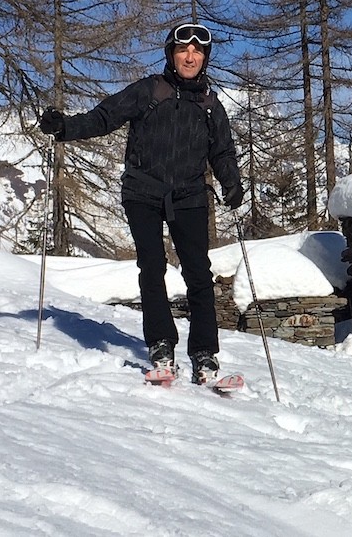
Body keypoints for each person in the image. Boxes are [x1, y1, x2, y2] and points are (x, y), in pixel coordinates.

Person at [39, 22, 243, 385]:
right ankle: (161, 346)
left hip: (191, 196)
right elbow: (105, 116)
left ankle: (204, 355)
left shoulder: (211, 105)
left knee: (199, 274)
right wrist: (65, 128)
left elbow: (223, 152)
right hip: (143, 192)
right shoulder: (150, 90)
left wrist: (231, 183)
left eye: (197, 52)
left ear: (204, 59)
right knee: (152, 268)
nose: (190, 56)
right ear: (172, 54)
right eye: (183, 51)